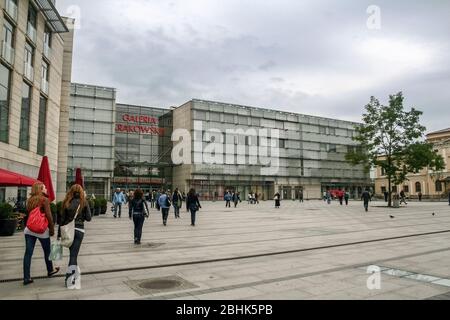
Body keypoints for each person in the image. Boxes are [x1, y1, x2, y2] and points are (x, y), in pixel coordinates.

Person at [23, 182, 59, 286]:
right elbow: (49, 216)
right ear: (40, 189)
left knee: (28, 254)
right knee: (47, 251)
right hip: (41, 230)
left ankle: (26, 277)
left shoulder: (29, 200)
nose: (46, 189)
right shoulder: (44, 200)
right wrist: (52, 229)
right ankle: (50, 270)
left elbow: (28, 214)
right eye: (45, 187)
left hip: (29, 230)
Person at [58, 184, 91, 289]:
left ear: (70, 191)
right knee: (73, 256)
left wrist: (59, 234)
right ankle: (69, 278)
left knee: (73, 254)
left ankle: (72, 276)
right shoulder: (84, 202)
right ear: (81, 192)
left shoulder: (66, 202)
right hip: (79, 230)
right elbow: (89, 218)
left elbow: (61, 220)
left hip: (68, 231)